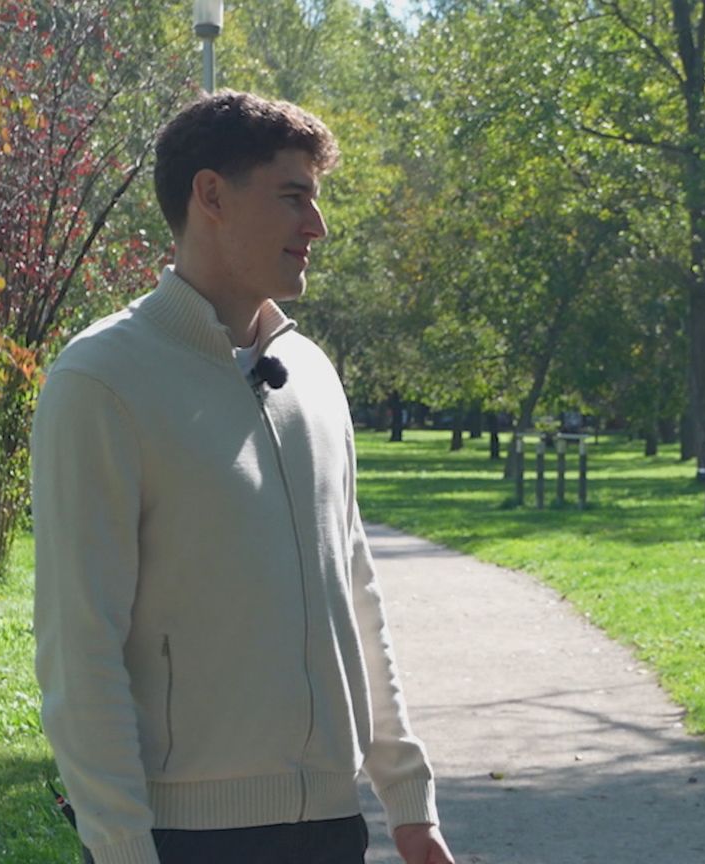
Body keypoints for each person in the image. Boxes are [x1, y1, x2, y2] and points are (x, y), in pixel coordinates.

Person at [31, 91, 456, 864]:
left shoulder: (313, 375)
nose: (316, 226)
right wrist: (121, 845)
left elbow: (355, 593)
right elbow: (79, 644)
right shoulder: (101, 381)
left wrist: (406, 795)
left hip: (331, 825)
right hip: (183, 839)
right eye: (293, 196)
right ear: (212, 195)